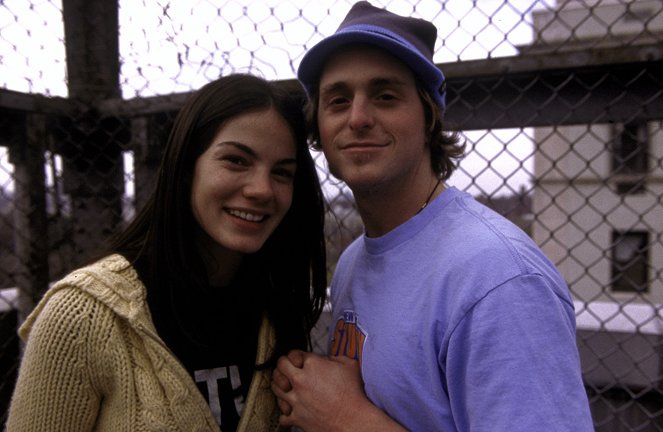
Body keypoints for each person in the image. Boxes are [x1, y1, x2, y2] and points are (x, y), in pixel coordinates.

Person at [271, 2, 595, 431]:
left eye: (385, 96)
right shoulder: (353, 261)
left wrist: (345, 418)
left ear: (428, 117)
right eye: (338, 100)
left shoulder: (497, 278)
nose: (358, 118)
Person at [6, 73, 327, 432]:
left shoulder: (277, 302)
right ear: (186, 166)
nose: (262, 189)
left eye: (282, 173)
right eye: (236, 160)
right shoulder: (83, 316)